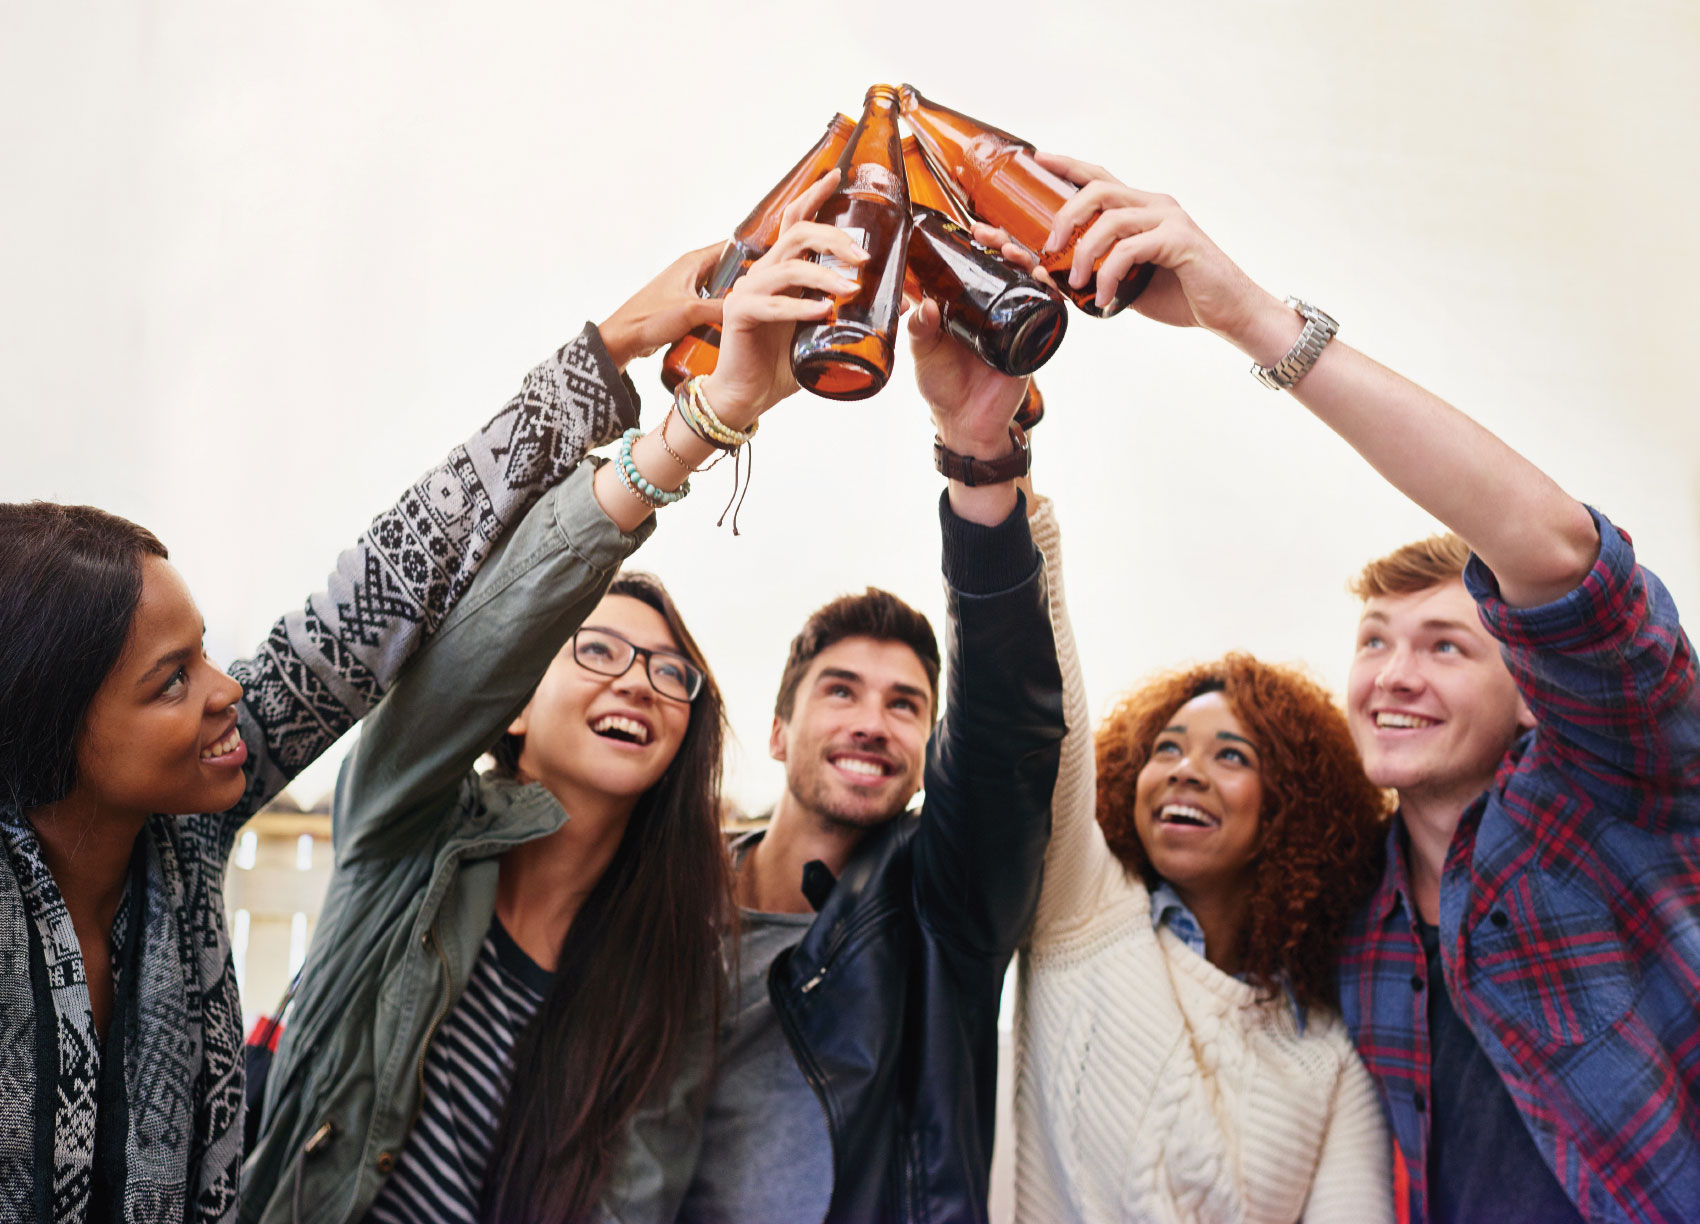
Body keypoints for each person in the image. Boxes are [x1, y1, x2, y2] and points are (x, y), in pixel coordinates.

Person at [1005, 156, 1700, 1222]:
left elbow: (1563, 557)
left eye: (1443, 647)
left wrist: (1248, 319)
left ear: (1532, 692)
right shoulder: (1344, 908)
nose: (1392, 675)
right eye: (1374, 641)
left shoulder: (1612, 790)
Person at [0, 227, 735, 1223]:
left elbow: (377, 594)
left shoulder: (183, 831)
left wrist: (620, 354)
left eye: (207, 652)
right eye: (171, 681)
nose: (229, 692)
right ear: (50, 726)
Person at [238, 171, 880, 1224]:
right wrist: (699, 425)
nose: (637, 678)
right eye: (594, 652)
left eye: (670, 673)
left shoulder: (665, 969)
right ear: (515, 706)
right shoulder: (408, 837)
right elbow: (479, 640)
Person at [674, 297, 1067, 1223]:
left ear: (930, 751)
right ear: (777, 731)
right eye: (841, 691)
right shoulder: (664, 890)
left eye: (905, 707)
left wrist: (978, 464)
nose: (872, 723)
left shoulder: (941, 907)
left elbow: (1007, 736)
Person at [1011, 475, 1393, 1221]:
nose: (1186, 769)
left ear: (1291, 811)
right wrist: (1011, 491)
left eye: (1231, 757)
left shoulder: (1326, 1054)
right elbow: (1044, 703)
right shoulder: (1084, 910)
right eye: (1169, 749)